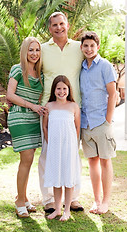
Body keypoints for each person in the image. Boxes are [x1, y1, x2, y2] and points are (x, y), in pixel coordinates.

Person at [38, 11, 84, 213]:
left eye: (62, 23)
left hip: (72, 110)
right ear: (50, 28)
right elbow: (30, 70)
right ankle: (48, 199)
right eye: (54, 25)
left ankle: (72, 198)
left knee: (73, 155)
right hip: (50, 110)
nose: (59, 27)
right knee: (47, 154)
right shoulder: (43, 49)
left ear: (67, 25)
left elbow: (93, 62)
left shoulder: (79, 48)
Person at [6, 37, 47, 218]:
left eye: (37, 50)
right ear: (25, 51)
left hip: (34, 119)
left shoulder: (41, 74)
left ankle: (22, 197)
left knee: (28, 161)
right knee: (27, 158)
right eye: (31, 50)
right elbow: (9, 95)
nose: (34, 53)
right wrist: (32, 106)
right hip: (19, 117)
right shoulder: (17, 69)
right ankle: (19, 202)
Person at [80, 31, 117, 214]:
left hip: (101, 122)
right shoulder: (80, 68)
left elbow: (113, 94)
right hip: (85, 124)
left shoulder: (105, 66)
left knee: (105, 161)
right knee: (92, 162)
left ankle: (106, 201)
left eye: (92, 45)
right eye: (85, 46)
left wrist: (108, 120)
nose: (88, 49)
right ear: (81, 47)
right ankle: (96, 200)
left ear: (98, 47)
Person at [43, 75, 81, 221]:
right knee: (57, 177)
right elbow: (45, 126)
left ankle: (67, 210)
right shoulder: (49, 106)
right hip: (54, 147)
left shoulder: (73, 106)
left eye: (64, 88)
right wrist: (50, 142)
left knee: (68, 177)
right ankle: (57, 209)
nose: (61, 91)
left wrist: (74, 144)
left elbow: (77, 127)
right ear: (54, 90)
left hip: (69, 147)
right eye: (58, 88)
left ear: (68, 90)